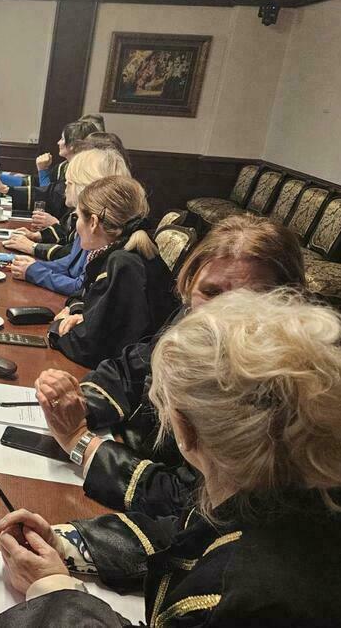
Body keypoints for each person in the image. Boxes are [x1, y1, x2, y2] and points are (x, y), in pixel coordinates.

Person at [0, 290, 341, 626]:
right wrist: (67, 545)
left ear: (185, 429)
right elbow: (188, 532)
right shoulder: (311, 488)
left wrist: (53, 591)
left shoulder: (243, 595)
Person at [35, 215, 307, 516]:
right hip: (132, 455)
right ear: (189, 285)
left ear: (288, 305)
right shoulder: (190, 320)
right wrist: (77, 401)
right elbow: (131, 368)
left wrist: (79, 442)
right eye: (211, 292)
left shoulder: (276, 391)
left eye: (248, 300)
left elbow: (193, 502)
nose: (222, 313)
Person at [46, 176, 178, 368]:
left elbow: (89, 347)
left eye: (77, 217)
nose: (76, 226)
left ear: (93, 222)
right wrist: (78, 312)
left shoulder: (123, 265)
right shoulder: (126, 250)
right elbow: (85, 295)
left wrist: (58, 327)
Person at [6, 149, 130, 296]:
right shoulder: (86, 220)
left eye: (70, 182)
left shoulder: (99, 230)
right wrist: (35, 266)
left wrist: (37, 272)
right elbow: (71, 263)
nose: (64, 186)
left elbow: (81, 287)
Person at [0, 120, 98, 218]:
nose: (58, 142)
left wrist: (43, 170)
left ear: (72, 145)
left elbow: (49, 196)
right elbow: (38, 184)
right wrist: (0, 178)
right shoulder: (63, 166)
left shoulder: (81, 173)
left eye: (62, 139)